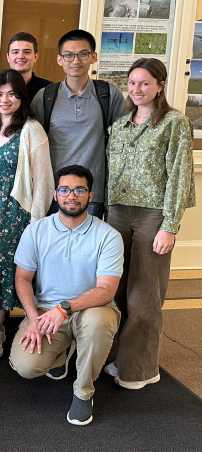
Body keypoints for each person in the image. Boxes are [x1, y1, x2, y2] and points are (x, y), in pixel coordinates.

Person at [105, 58, 196, 390]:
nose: (136, 89)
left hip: (152, 216)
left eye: (144, 83)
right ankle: (116, 357)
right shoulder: (118, 125)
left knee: (144, 294)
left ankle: (139, 369)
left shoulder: (174, 123)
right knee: (114, 290)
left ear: (160, 85)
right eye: (131, 83)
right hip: (116, 213)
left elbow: (179, 177)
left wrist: (169, 225)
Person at [10, 165, 123, 426]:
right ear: (55, 194)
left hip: (93, 309)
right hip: (47, 313)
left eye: (79, 190)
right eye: (65, 190)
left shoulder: (108, 236)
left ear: (90, 195)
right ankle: (60, 355)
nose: (71, 195)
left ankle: (84, 392)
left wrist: (64, 308)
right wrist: (33, 318)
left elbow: (106, 290)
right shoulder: (36, 231)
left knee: (96, 323)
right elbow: (22, 279)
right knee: (26, 366)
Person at [0, 69, 54, 367]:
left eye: (12, 94)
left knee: (0, 269)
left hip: (14, 211)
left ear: (21, 97)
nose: (5, 99)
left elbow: (43, 182)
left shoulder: (32, 130)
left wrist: (37, 224)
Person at [31, 29, 125, 219]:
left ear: (93, 57)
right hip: (55, 192)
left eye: (83, 54)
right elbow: (32, 144)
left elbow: (125, 138)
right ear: (60, 59)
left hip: (92, 192)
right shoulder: (46, 96)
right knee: (53, 247)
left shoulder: (108, 94)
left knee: (88, 247)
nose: (76, 61)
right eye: (69, 55)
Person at [0, 32, 51, 107]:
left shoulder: (49, 90)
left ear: (35, 57)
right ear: (8, 57)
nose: (21, 56)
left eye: (27, 52)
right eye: (15, 52)